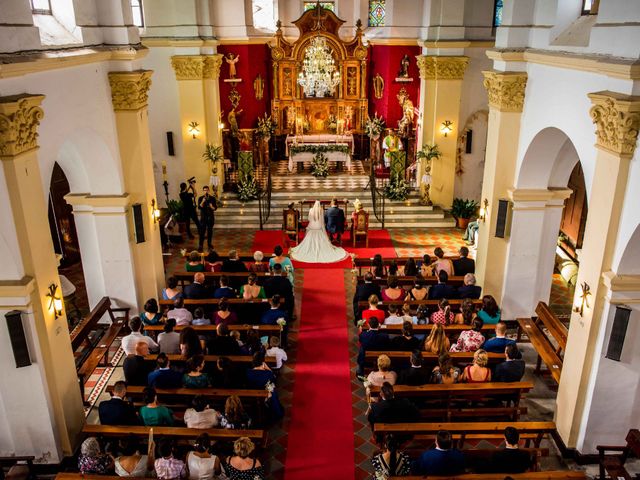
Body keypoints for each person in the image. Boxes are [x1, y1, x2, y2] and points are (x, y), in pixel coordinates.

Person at [197, 185, 217, 251]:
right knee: (202, 232)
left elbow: (215, 208)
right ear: (203, 191)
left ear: (209, 190)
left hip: (210, 218)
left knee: (210, 232)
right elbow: (199, 207)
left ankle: (209, 244)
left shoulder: (212, 198)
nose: (206, 191)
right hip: (203, 218)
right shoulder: (200, 198)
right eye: (204, 190)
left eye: (207, 190)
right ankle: (200, 245)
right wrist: (203, 201)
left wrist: (211, 207)